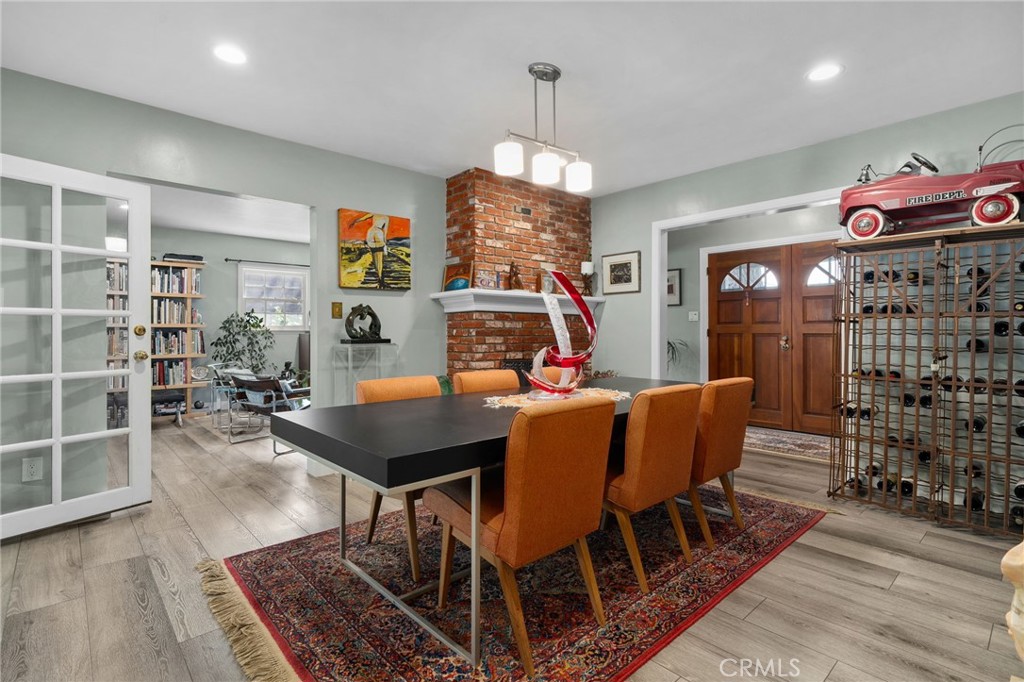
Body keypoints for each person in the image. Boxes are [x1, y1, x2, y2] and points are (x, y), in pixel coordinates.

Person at [353, 213, 389, 288]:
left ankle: (379, 277)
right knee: (379, 258)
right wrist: (385, 243)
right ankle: (380, 279)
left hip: (371, 232)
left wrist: (355, 221)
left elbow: (363, 218)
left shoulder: (374, 213)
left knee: (374, 256)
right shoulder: (386, 217)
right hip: (378, 233)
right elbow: (385, 231)